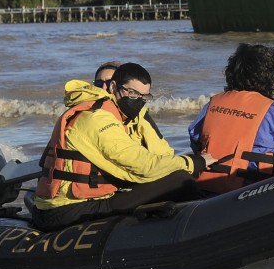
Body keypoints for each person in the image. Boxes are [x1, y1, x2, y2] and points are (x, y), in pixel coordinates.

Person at [30, 62, 207, 230]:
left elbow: (162, 155)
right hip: (65, 210)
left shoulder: (121, 117)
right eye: (132, 94)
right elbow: (143, 166)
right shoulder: (96, 118)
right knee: (181, 180)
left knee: (176, 178)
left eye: (144, 97)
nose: (138, 101)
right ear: (114, 88)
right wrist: (194, 162)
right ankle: (197, 226)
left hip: (88, 200)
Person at [188, 43, 274, 195]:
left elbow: (195, 141)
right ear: (271, 77)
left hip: (205, 193)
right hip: (253, 195)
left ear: (232, 73)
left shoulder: (212, 104)